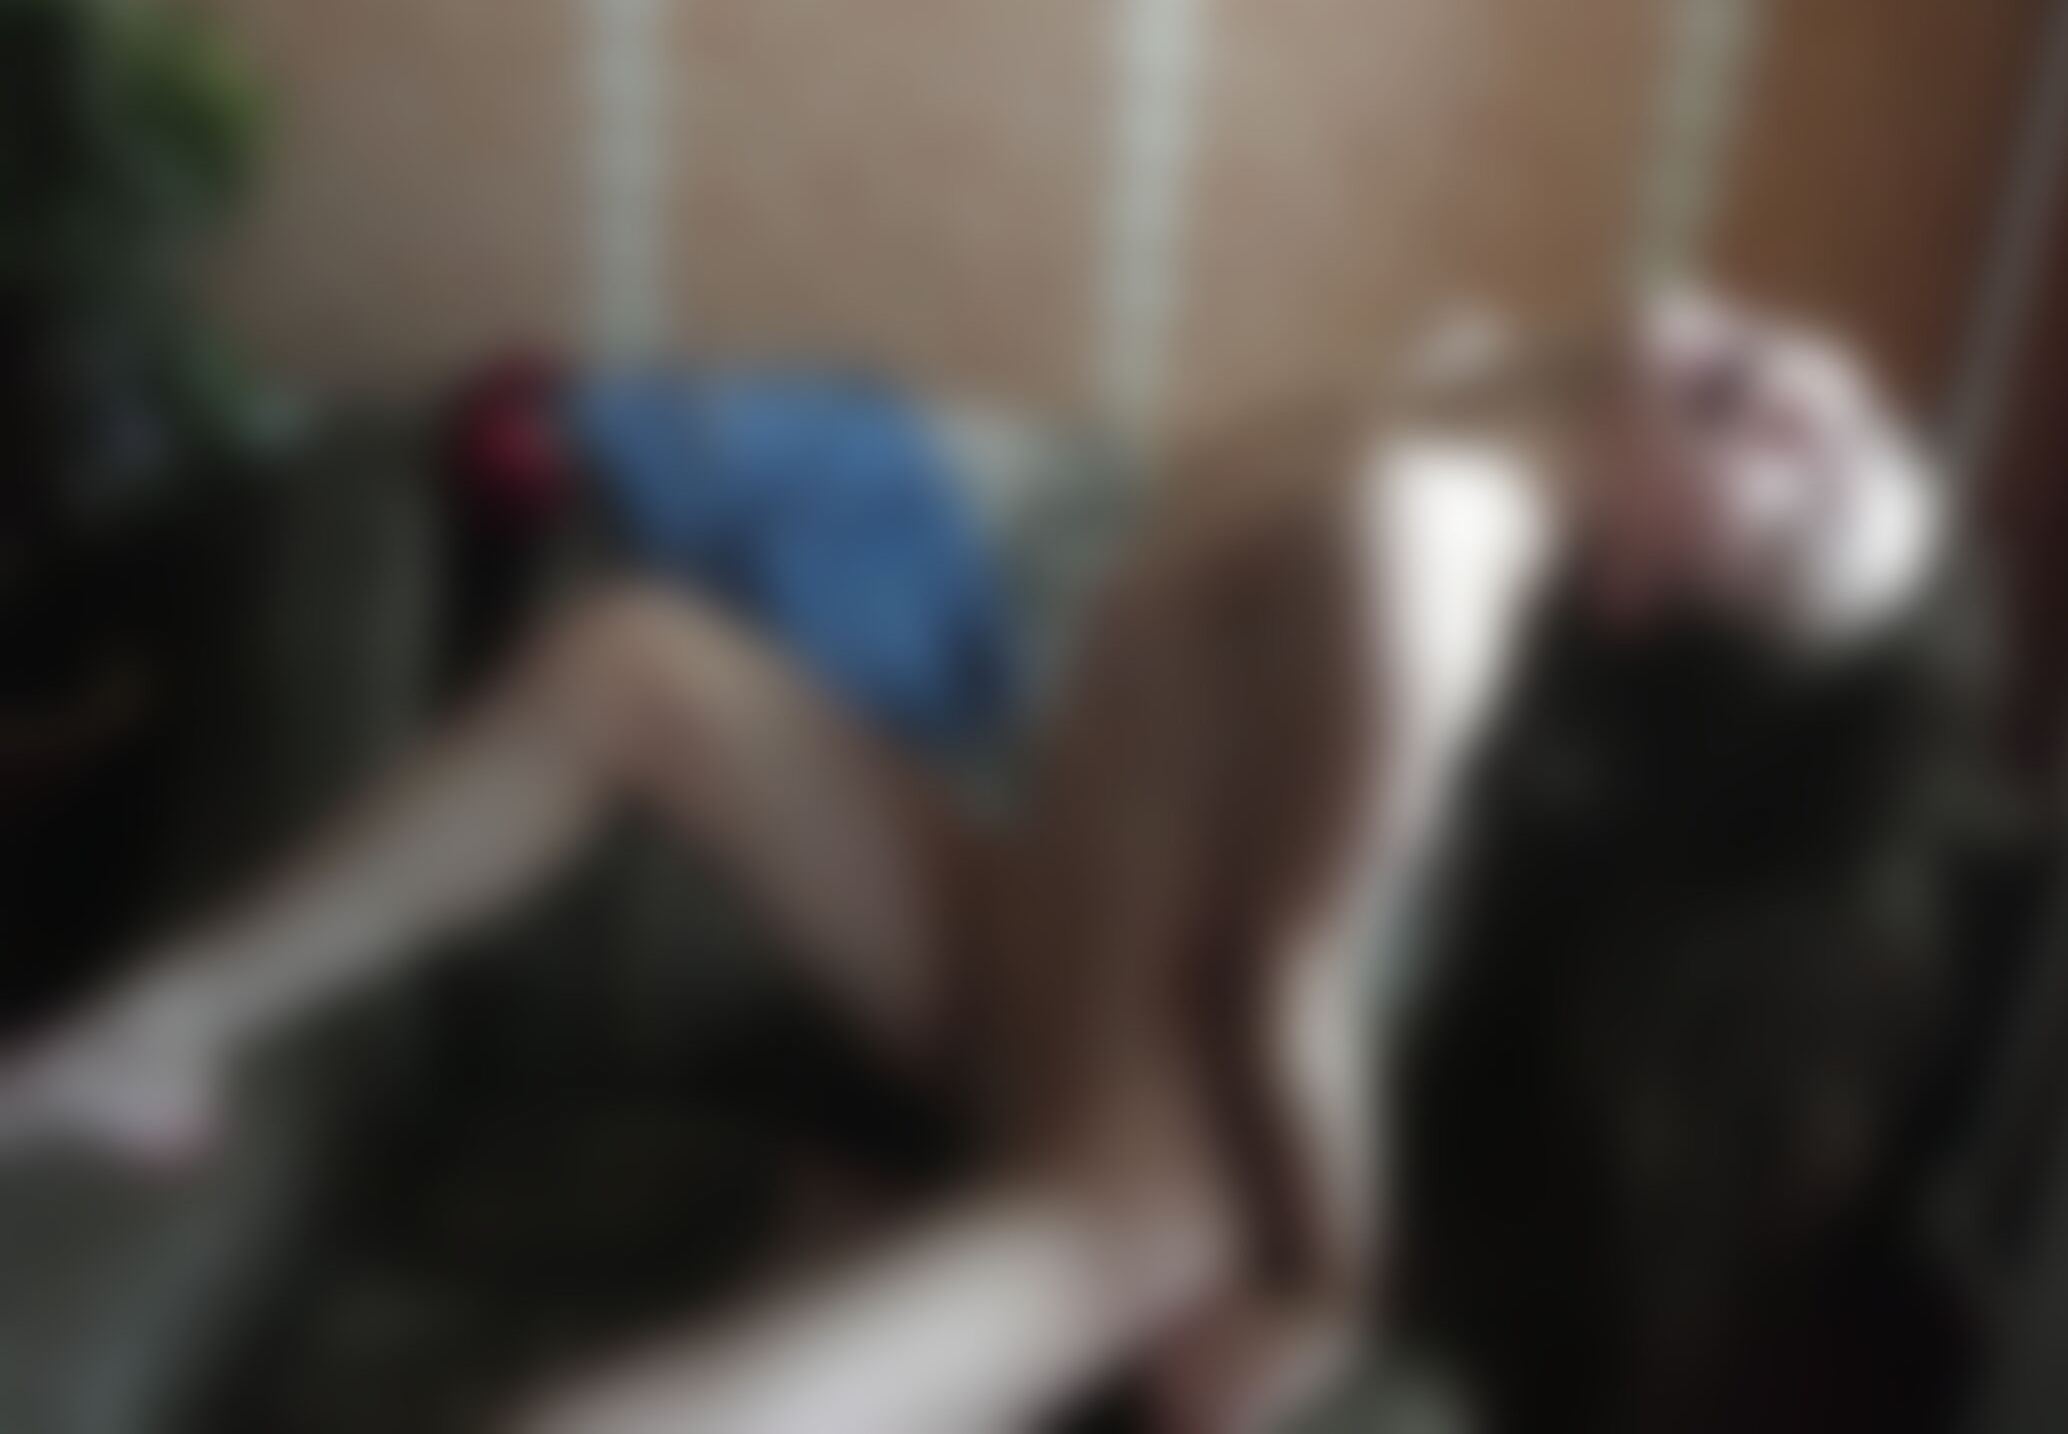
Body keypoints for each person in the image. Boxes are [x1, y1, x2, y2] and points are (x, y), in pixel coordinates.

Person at [0, 287, 1941, 1434]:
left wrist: (1323, 1292)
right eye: (1852, 410)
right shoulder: (1473, 368)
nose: (1810, 409)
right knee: (630, 663)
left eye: (1799, 509)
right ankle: (164, 1020)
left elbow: (1284, 982)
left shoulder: (1433, 560)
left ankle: (988, 1313)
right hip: (1007, 966)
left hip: (1115, 1194)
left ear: (1637, 591)